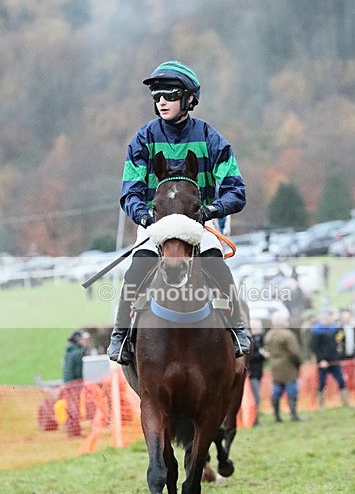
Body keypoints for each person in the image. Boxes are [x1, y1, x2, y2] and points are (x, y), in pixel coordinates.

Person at [107, 60, 250, 364]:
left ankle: (236, 327)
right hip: (155, 223)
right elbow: (129, 193)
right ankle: (120, 335)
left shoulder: (212, 140)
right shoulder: (142, 140)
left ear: (189, 99)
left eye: (169, 94)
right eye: (157, 95)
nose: (161, 101)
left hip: (197, 224)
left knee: (217, 266)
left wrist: (211, 210)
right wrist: (145, 218)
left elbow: (236, 191)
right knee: (137, 268)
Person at [264, 310, 304, 422]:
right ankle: (294, 414)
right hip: (288, 366)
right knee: (292, 390)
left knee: (276, 391)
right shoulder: (287, 334)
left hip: (274, 366)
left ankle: (277, 416)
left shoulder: (269, 335)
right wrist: (298, 364)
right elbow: (294, 352)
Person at [310, 312, 350, 408]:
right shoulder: (316, 331)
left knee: (341, 380)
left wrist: (340, 341)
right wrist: (321, 360)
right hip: (323, 362)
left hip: (334, 360)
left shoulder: (334, 329)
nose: (325, 321)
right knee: (322, 383)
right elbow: (314, 347)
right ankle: (321, 404)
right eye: (323, 319)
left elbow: (339, 338)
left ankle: (346, 402)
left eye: (327, 319)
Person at [62, 330, 90, 437]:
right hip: (75, 384)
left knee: (71, 406)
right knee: (74, 407)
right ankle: (75, 432)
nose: (85, 342)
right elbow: (78, 371)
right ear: (77, 340)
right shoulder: (78, 353)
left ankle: (72, 430)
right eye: (83, 339)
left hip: (68, 383)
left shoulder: (69, 350)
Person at [247, 318, 267, 425]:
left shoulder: (260, 339)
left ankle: (255, 419)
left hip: (258, 371)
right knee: (255, 398)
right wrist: (261, 354)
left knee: (257, 396)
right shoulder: (249, 340)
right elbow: (249, 356)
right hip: (251, 373)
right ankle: (254, 420)